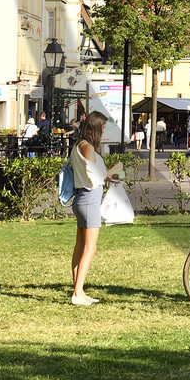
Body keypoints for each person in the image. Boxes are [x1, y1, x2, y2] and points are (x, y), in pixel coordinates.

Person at [68, 110, 121, 305]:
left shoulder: (78, 146)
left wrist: (108, 175)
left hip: (82, 198)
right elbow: (96, 177)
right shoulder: (88, 148)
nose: (104, 131)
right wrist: (113, 171)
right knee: (90, 247)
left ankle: (78, 290)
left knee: (80, 246)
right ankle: (77, 293)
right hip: (89, 199)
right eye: (103, 127)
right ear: (95, 127)